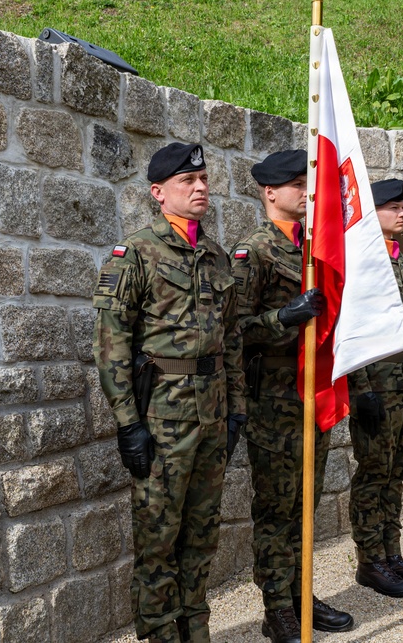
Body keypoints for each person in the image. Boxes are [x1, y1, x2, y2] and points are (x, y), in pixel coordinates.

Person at [93, 142, 246, 643]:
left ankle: (195, 630)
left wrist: (236, 412)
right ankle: (160, 634)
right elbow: (111, 343)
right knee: (158, 538)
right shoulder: (136, 252)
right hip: (162, 420)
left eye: (203, 179)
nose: (201, 188)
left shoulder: (218, 256)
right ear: (159, 193)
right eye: (188, 181)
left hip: (212, 414)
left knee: (202, 535)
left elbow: (233, 341)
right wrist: (127, 424)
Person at [230, 149, 353, 643]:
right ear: (270, 192)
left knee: (309, 500)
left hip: (312, 392)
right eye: (297, 185)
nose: (307, 193)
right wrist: (285, 318)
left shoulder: (314, 248)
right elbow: (233, 330)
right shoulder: (254, 252)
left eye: (309, 184)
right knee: (278, 507)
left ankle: (303, 592)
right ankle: (277, 605)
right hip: (274, 402)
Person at [349, 179, 403, 597]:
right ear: (374, 213)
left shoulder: (401, 260)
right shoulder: (364, 262)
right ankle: (370, 562)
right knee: (373, 472)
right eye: (394, 207)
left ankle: (392, 552)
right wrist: (361, 388)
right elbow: (353, 330)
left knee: (396, 472)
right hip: (377, 384)